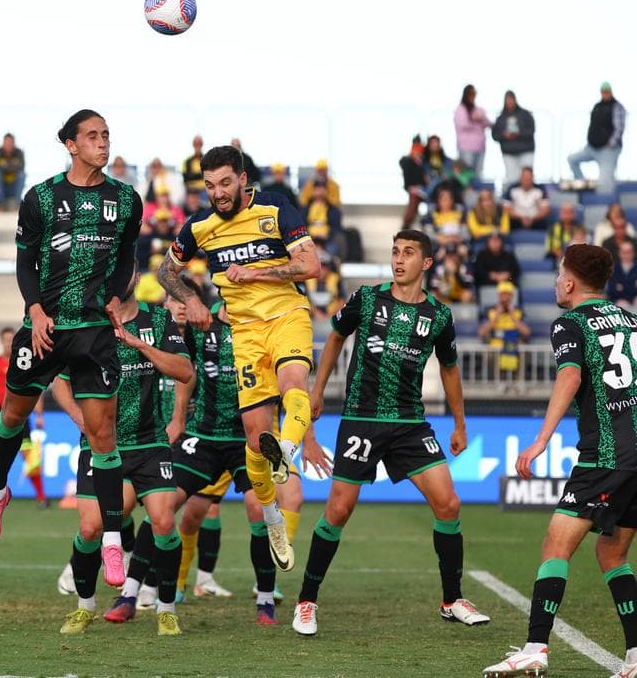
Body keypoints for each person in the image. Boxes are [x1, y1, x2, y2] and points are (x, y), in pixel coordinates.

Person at [295, 230, 489, 636]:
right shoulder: (367, 298)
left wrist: (460, 423)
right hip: (362, 418)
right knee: (338, 511)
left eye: (409, 253)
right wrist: (317, 391)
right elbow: (334, 338)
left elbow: (450, 370)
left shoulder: (439, 316)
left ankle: (451, 600)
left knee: (449, 504)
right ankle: (306, 602)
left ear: (427, 263)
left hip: (409, 423)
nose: (399, 260)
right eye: (396, 252)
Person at [0, 109, 142, 596]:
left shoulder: (126, 200)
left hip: (94, 331)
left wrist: (117, 295)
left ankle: (112, 537)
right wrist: (34, 308)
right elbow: (25, 260)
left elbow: (127, 258)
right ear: (70, 145)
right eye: (92, 136)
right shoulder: (42, 198)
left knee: (103, 435)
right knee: (12, 415)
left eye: (106, 135)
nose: (102, 142)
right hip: (45, 329)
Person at [158, 144, 322, 575]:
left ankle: (285, 451)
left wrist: (259, 272)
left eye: (226, 183)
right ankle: (273, 521)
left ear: (243, 178)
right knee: (254, 438)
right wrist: (190, 299)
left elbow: (311, 264)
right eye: (211, 185)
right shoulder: (200, 226)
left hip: (287, 315)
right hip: (244, 333)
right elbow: (165, 271)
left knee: (293, 385)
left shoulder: (276, 209)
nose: (219, 193)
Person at [482, 245, 637, 678]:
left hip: (606, 453)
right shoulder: (632, 319)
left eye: (558, 275)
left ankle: (535, 647)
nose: (554, 282)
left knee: (556, 545)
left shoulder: (569, 322)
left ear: (570, 282)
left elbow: (570, 375)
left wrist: (540, 440)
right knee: (611, 553)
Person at [154, 293, 319, 627]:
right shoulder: (203, 322)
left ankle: (265, 595)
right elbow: (189, 371)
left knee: (263, 508)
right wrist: (179, 418)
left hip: (254, 438)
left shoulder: (268, 322)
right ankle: (179, 582)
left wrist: (309, 438)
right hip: (209, 436)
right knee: (189, 515)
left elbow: (291, 386)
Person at [55, 272, 194, 636]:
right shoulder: (87, 322)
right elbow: (59, 380)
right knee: (90, 529)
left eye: (127, 268)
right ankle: (85, 606)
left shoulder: (158, 320)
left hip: (149, 443)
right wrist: (76, 416)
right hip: (102, 446)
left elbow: (184, 370)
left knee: (164, 523)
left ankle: (166, 608)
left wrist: (140, 346)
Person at [0, 328, 47, 507]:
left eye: (11, 339)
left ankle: (42, 497)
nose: (8, 342)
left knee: (30, 458)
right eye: (5, 339)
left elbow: (35, 389)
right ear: (1, 341)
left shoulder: (24, 361)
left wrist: (39, 415)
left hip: (20, 411)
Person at [568, 82, 627, 195]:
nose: (605, 94)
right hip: (591, 148)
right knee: (572, 159)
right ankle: (583, 185)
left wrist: (610, 144)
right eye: (603, 91)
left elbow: (619, 129)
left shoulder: (617, 107)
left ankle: (605, 207)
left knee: (605, 185)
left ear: (611, 92)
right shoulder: (597, 106)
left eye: (607, 91)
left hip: (607, 151)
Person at [478, 281, 531, 377]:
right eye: (503, 294)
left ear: (512, 296)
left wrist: (513, 317)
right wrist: (495, 317)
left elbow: (527, 332)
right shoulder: (490, 310)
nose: (505, 298)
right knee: (490, 353)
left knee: (525, 351)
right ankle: (499, 381)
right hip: (496, 343)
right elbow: (482, 332)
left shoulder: (518, 311)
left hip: (513, 343)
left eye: (508, 295)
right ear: (498, 295)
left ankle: (518, 381)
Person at [492, 90, 536, 192]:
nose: (510, 102)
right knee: (512, 178)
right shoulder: (501, 118)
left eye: (511, 100)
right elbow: (495, 135)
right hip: (509, 152)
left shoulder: (525, 114)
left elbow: (531, 130)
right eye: (507, 100)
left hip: (526, 150)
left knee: (527, 177)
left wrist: (518, 134)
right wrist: (504, 135)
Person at [454, 85, 492, 179]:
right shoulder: (460, 109)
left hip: (480, 148)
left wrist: (481, 118)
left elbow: (489, 124)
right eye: (470, 94)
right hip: (466, 148)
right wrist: (474, 120)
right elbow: (462, 124)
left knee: (478, 174)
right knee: (466, 174)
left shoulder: (479, 110)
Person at [400, 138, 429, 229]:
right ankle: (406, 224)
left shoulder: (422, 162)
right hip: (413, 189)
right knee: (412, 206)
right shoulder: (408, 162)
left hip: (423, 189)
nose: (418, 153)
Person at [0, 133, 26, 210]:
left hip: (14, 187)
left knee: (22, 175)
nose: (8, 144)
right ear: (3, 142)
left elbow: (21, 167)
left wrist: (5, 166)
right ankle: (1, 204)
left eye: (10, 142)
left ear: (14, 142)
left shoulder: (19, 152)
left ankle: (17, 204)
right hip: (3, 187)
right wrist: (12, 166)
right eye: (7, 142)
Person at [610, 240, 637, 309]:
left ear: (633, 253)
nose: (626, 255)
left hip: (635, 300)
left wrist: (622, 286)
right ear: (619, 253)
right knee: (622, 305)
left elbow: (619, 288)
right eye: (624, 252)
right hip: (618, 301)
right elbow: (612, 290)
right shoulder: (614, 269)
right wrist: (632, 285)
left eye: (629, 252)